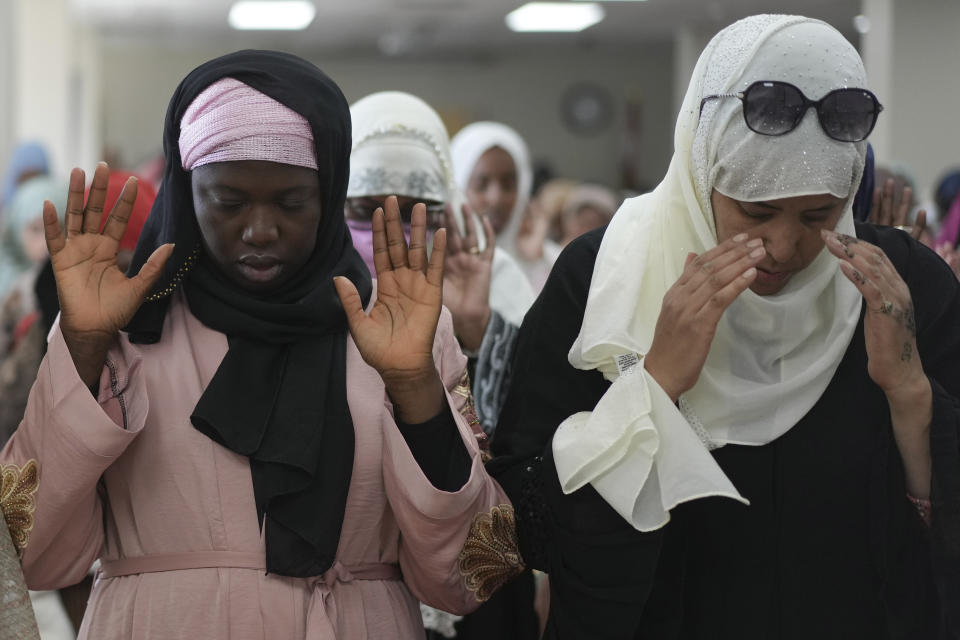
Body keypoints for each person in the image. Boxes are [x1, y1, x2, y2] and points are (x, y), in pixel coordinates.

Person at [0, 50, 519, 639]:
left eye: (292, 203)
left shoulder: (400, 327)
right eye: (228, 201)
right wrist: (82, 346)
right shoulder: (126, 328)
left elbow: (474, 574)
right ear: (187, 193)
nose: (260, 230)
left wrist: (415, 389)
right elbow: (32, 555)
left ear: (329, 197)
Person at [488, 15, 959, 639]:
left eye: (820, 214)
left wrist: (909, 393)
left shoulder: (900, 288)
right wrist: (652, 386)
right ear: (700, 171)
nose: (784, 247)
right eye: (755, 212)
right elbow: (532, 522)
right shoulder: (606, 278)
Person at [344, 91, 540, 639]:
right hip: (357, 584)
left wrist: (475, 336)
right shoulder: (309, 295)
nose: (389, 229)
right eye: (364, 209)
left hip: (477, 589)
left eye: (413, 211)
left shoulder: (494, 278)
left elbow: (524, 461)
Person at [451, 121, 547, 300]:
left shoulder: (551, 260)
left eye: (508, 184)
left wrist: (535, 264)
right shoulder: (437, 261)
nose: (496, 199)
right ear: (457, 187)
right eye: (481, 185)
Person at [0, 176, 68, 356]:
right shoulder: (9, 285)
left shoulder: (70, 282)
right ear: (16, 229)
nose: (46, 242)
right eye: (36, 229)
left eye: (56, 228)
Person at [1, 142, 50, 211]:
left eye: (36, 180)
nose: (31, 189)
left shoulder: (56, 203)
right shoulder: (7, 209)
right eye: (26, 180)